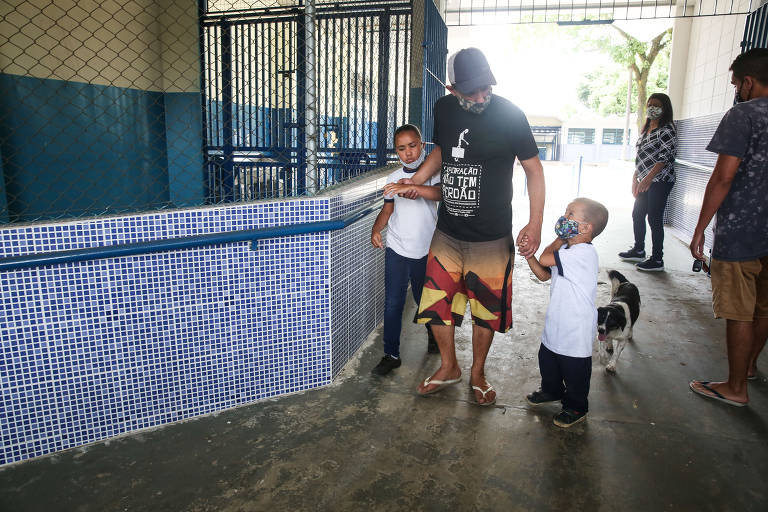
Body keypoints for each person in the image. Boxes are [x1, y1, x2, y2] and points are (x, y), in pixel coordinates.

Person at [386, 47, 545, 405]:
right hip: (448, 233)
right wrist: (417, 180)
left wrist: (534, 224)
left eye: (485, 87)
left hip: (491, 236)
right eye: (471, 91)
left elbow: (534, 169)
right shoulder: (442, 109)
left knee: (486, 310)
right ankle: (449, 367)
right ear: (451, 88)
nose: (481, 96)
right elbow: (442, 150)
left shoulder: (510, 116)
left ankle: (478, 372)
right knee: (437, 302)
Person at [689, 48, 768, 406]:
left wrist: (700, 229)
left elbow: (723, 177)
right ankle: (749, 367)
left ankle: (736, 387)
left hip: (742, 234)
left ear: (749, 82)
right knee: (764, 309)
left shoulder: (744, 115)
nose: (737, 90)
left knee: (739, 311)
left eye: (737, 84)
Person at [524, 198, 608, 427]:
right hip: (557, 322)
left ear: (586, 228)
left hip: (576, 328)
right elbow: (544, 274)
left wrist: (559, 238)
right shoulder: (568, 251)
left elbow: (545, 258)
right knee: (548, 360)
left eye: (570, 214)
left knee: (575, 372)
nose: (564, 217)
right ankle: (551, 390)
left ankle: (576, 406)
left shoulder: (582, 253)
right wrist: (528, 255)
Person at [370, 124, 442, 376]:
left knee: (428, 301)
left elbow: (439, 194)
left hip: (427, 250)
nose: (408, 153)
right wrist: (376, 230)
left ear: (422, 146)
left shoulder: (434, 174)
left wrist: (413, 187)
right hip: (397, 249)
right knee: (393, 304)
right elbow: (387, 209)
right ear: (396, 152)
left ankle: (435, 338)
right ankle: (391, 354)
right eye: (402, 148)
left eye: (413, 146)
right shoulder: (392, 179)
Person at [618, 93, 678, 272]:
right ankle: (638, 249)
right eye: (650, 104)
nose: (652, 108)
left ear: (664, 108)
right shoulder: (646, 130)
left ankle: (657, 259)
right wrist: (635, 177)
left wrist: (648, 178)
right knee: (637, 214)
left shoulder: (667, 129)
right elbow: (641, 157)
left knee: (654, 217)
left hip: (660, 180)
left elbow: (665, 157)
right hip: (644, 180)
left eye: (656, 105)